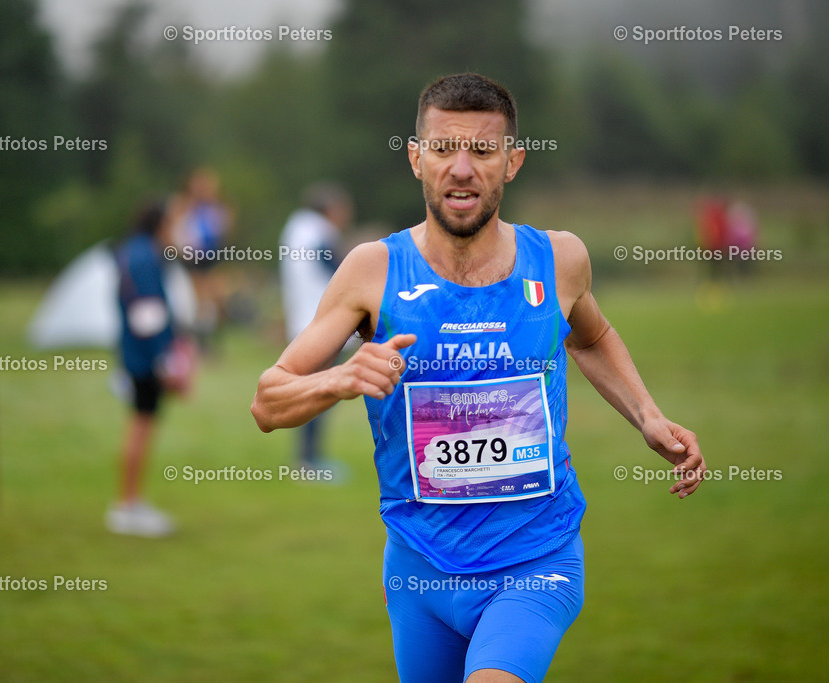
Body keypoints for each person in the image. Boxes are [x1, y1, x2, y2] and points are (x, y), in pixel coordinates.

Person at [251, 73, 706, 683]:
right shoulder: (372, 271)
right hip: (419, 570)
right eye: (443, 148)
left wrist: (648, 415)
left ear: (512, 162)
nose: (461, 169)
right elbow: (268, 402)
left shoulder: (559, 260)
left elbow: (591, 336)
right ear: (416, 158)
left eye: (483, 150)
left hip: (536, 560)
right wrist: (340, 379)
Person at [106, 201, 192, 538]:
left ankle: (131, 502)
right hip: (144, 358)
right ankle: (128, 505)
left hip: (136, 354)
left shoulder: (134, 252)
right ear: (161, 225)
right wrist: (165, 360)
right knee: (141, 427)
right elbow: (148, 312)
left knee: (142, 425)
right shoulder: (145, 257)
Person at [278, 182, 353, 472]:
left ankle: (307, 458)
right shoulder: (321, 232)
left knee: (312, 391)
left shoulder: (295, 229)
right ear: (330, 210)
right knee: (321, 393)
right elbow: (341, 273)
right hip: (324, 326)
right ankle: (310, 461)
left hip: (301, 321)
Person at [169, 167, 233, 352]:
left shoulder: (217, 208)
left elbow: (223, 232)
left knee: (216, 302)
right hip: (190, 262)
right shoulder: (182, 206)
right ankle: (194, 344)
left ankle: (211, 343)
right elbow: (174, 234)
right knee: (194, 304)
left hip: (211, 260)